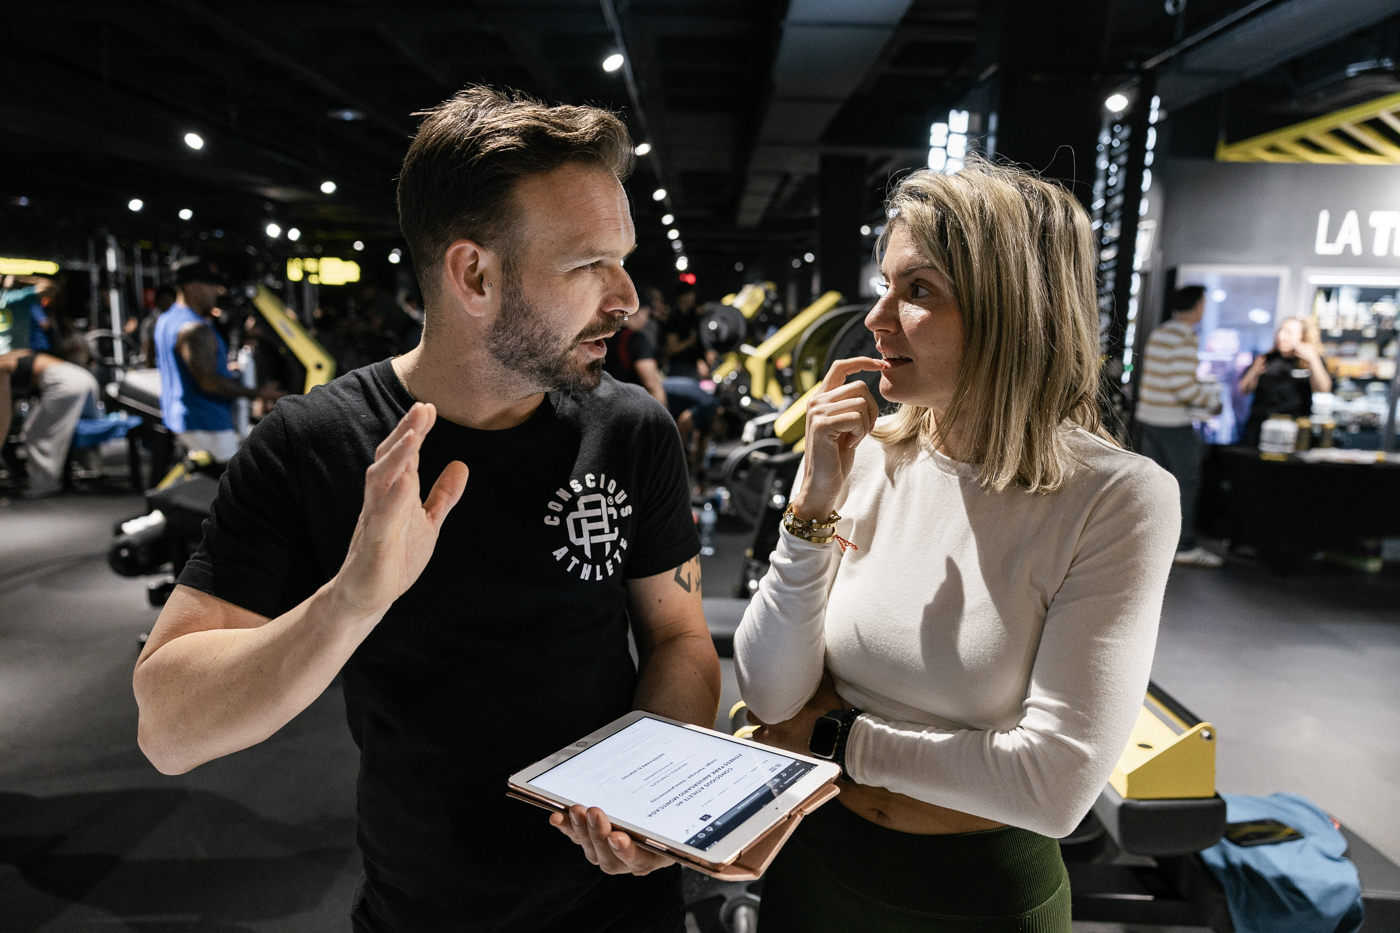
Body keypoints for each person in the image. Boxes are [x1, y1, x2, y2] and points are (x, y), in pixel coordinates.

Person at [132, 87, 720, 933]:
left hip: (622, 909)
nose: (627, 296)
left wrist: (651, 799)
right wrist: (350, 600)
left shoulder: (631, 429)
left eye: (622, 259)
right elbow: (167, 728)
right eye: (588, 264)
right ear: (474, 274)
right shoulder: (315, 444)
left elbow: (678, 637)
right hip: (425, 910)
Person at [730, 161, 1180, 932]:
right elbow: (771, 697)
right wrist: (810, 507)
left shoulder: (1116, 497)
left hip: (978, 898)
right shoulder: (868, 457)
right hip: (814, 864)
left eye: (918, 290)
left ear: (1010, 311)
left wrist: (835, 734)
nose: (878, 318)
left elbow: (1053, 785)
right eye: (885, 285)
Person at [153, 259, 280, 463]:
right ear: (190, 287)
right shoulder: (194, 328)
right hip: (207, 423)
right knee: (238, 480)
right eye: (210, 284)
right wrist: (259, 393)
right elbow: (208, 382)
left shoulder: (167, 319)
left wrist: (225, 368)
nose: (218, 290)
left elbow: (189, 366)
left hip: (184, 419)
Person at [1136, 284, 1223, 568]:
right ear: (1197, 306)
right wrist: (1212, 401)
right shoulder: (1184, 336)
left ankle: (1150, 544)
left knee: (1154, 484)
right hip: (1172, 422)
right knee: (1186, 482)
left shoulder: (1160, 332)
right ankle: (1183, 546)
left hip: (1148, 418)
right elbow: (1182, 385)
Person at [0, 349, 101, 498]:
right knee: (76, 430)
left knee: (34, 433)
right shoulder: (17, 354)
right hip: (83, 377)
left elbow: (4, 410)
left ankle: (44, 485)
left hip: (63, 382)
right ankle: (89, 471)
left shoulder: (3, 366)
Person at [1238, 317, 1331, 446]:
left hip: (1295, 429)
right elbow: (1243, 389)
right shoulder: (1266, 359)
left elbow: (1324, 388)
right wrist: (1254, 371)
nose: (1282, 336)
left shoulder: (1308, 362)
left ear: (1302, 336)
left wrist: (1313, 359)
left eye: (1289, 332)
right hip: (1261, 427)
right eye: (1281, 331)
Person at [603, 302, 667, 405]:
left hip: (605, 402)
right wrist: (663, 413)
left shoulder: (605, 337)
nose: (647, 320)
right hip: (631, 405)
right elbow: (652, 385)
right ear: (638, 313)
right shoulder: (637, 340)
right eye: (646, 314)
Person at [662, 282, 704, 379]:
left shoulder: (693, 315)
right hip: (679, 367)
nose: (693, 297)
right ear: (681, 297)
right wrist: (691, 340)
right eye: (690, 294)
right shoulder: (675, 318)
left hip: (692, 365)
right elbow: (672, 348)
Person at [140, 285, 177, 366]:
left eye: (169, 300)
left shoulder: (180, 320)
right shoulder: (150, 322)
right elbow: (147, 350)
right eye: (163, 300)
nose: (166, 304)